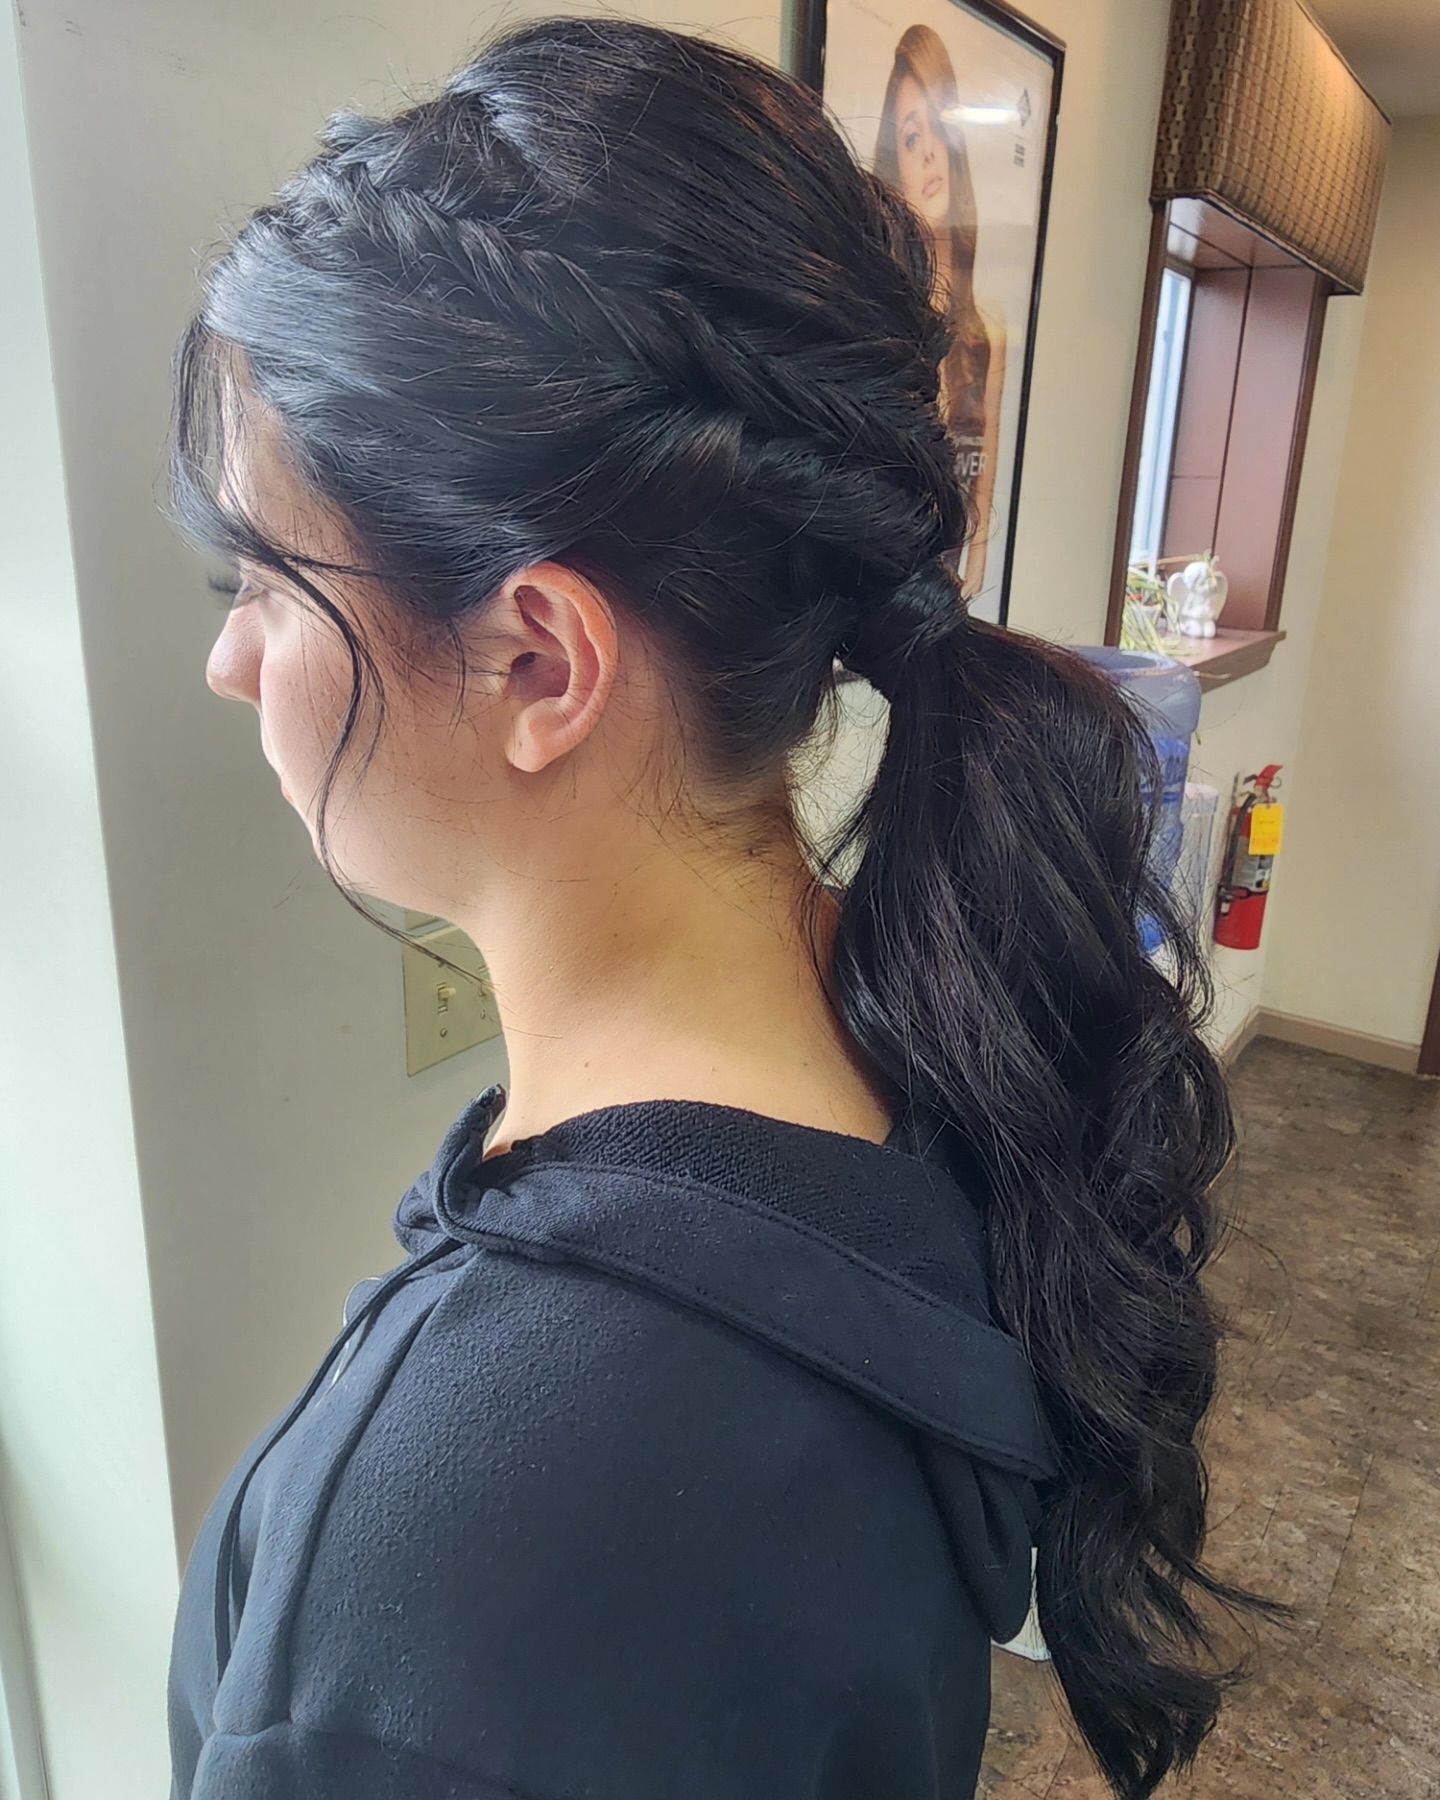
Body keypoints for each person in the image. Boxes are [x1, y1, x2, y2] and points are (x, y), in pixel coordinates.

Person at [163, 18, 1264, 1799]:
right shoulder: (916, 1069)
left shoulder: (443, 1566)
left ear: (540, 661)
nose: (231, 663)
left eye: (266, 582)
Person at [875, 24, 1007, 597]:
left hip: (951, 596)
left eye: (938, 127)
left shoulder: (986, 333)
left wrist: (972, 580)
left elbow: (984, 478)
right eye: (911, 137)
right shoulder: (879, 326)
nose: (930, 150)